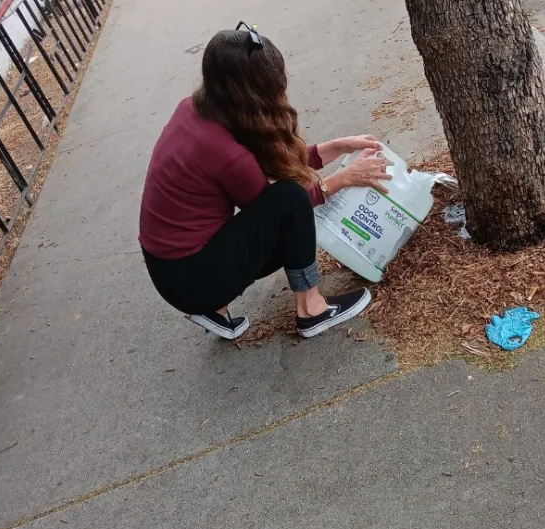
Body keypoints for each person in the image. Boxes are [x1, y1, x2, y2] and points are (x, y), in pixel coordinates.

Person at [139, 24, 392, 341]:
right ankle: (311, 310)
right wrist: (344, 178)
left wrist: (338, 146)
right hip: (193, 280)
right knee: (290, 200)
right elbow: (286, 207)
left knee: (286, 199)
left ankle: (214, 308)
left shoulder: (195, 109)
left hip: (169, 269)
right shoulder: (226, 154)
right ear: (250, 94)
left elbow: (272, 164)